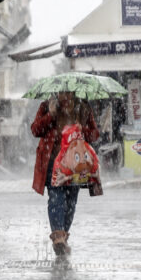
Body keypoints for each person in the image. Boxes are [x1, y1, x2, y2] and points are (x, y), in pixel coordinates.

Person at [31, 90, 99, 257]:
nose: (65, 96)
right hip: (52, 162)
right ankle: (58, 238)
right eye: (62, 93)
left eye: (68, 93)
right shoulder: (47, 106)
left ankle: (63, 237)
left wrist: (83, 129)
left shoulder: (82, 107)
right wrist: (51, 115)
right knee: (56, 198)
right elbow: (35, 130)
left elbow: (94, 134)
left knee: (70, 202)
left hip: (75, 165)